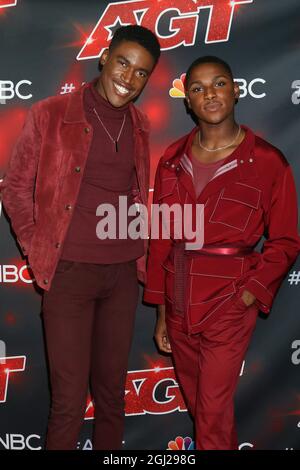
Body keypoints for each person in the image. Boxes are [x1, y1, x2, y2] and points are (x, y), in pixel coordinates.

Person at [1, 25, 160, 450]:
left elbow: (132, 194)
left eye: (141, 73)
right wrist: (36, 248)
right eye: (123, 62)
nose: (128, 78)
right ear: (104, 57)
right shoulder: (51, 113)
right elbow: (15, 188)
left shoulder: (140, 124)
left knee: (112, 398)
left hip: (123, 275)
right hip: (69, 275)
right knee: (69, 403)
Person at [144, 56, 300, 450]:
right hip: (179, 297)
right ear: (188, 102)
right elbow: (161, 238)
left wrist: (250, 292)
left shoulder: (267, 161)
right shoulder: (172, 161)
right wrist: (162, 311)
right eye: (197, 88)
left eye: (218, 84)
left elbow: (286, 241)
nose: (208, 94)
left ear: (236, 90)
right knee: (203, 410)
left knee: (211, 412)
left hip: (230, 297)